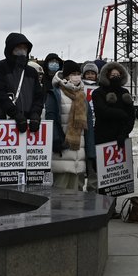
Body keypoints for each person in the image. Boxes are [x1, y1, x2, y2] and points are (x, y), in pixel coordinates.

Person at [90, 62, 137, 188]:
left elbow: (131, 116)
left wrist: (124, 133)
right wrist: (121, 113)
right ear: (106, 75)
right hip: (103, 138)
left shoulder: (125, 92)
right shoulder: (98, 93)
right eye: (112, 75)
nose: (115, 77)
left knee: (119, 178)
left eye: (118, 74)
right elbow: (102, 112)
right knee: (102, 176)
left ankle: (113, 204)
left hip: (121, 139)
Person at [0, 32, 45, 136]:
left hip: (29, 125)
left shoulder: (31, 72)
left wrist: (35, 114)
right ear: (10, 49)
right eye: (19, 47)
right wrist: (15, 114)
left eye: (25, 48)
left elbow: (38, 97)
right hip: (4, 124)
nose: (22, 51)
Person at [49, 60, 91, 190]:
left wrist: (91, 155)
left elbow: (88, 129)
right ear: (66, 75)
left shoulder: (82, 97)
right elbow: (51, 119)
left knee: (77, 199)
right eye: (73, 73)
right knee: (60, 196)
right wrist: (57, 141)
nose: (77, 76)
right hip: (62, 153)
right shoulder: (55, 94)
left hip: (79, 156)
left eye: (79, 73)